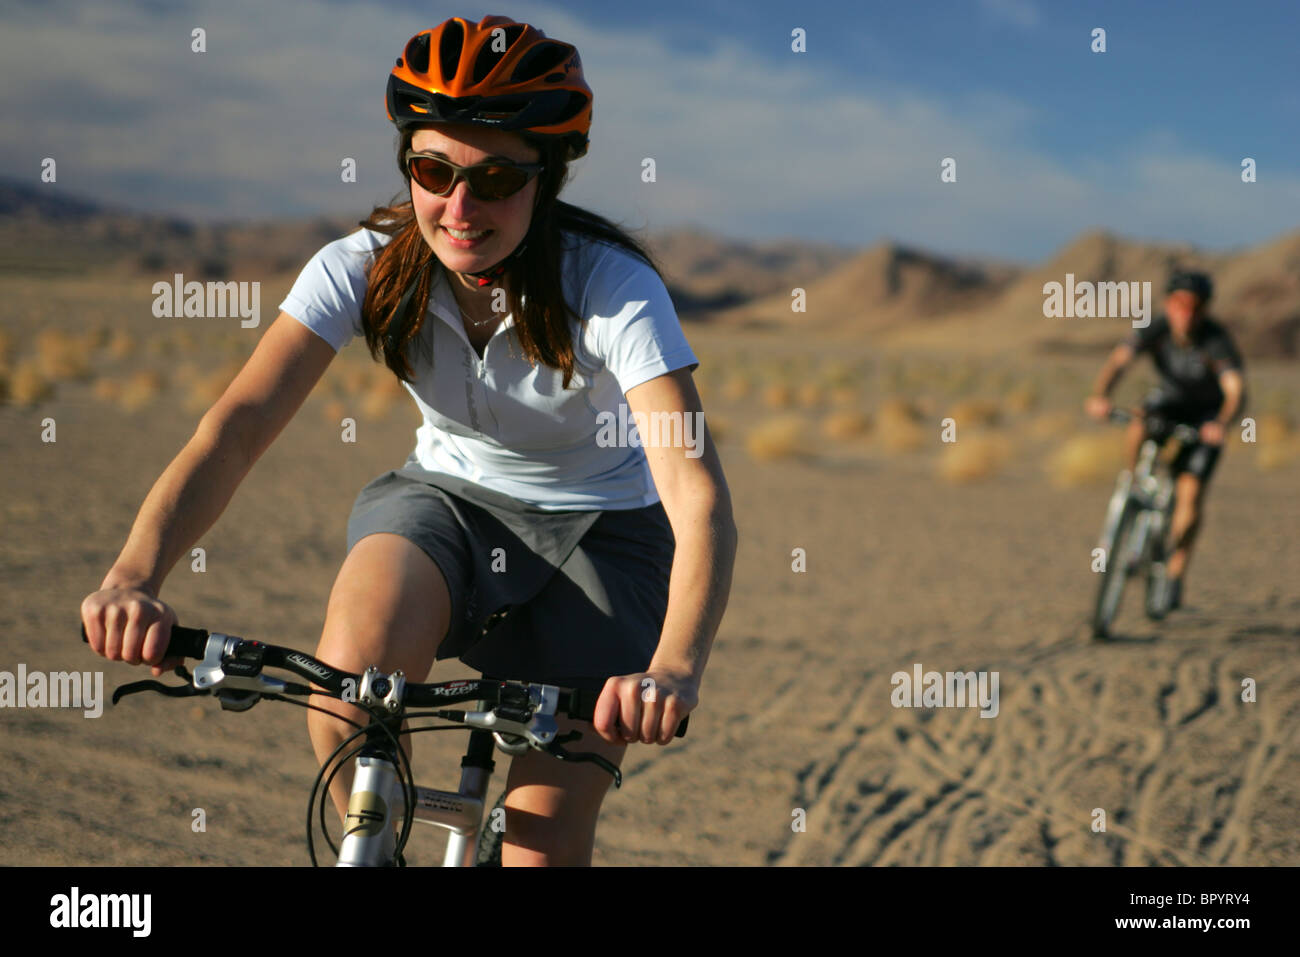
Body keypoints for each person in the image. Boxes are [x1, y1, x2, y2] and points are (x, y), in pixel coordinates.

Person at [80, 15, 737, 866]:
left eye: (496, 177)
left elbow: (695, 491)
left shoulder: (611, 286)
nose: (459, 208)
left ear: (549, 178)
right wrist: (136, 574)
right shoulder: (361, 266)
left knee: (544, 841)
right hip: (446, 504)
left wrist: (676, 668)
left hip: (603, 531)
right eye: (434, 170)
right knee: (348, 700)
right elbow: (237, 428)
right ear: (407, 166)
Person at [1084, 269, 1246, 613]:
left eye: (1194, 306)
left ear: (1204, 310)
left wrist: (1222, 422)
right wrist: (1100, 396)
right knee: (1141, 419)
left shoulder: (1215, 340)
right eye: (1179, 304)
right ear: (1168, 304)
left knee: (1190, 496)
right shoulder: (1153, 328)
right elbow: (1119, 362)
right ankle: (1132, 483)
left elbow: (1235, 390)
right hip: (1169, 404)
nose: (1186, 313)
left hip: (1206, 419)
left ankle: (1174, 572)